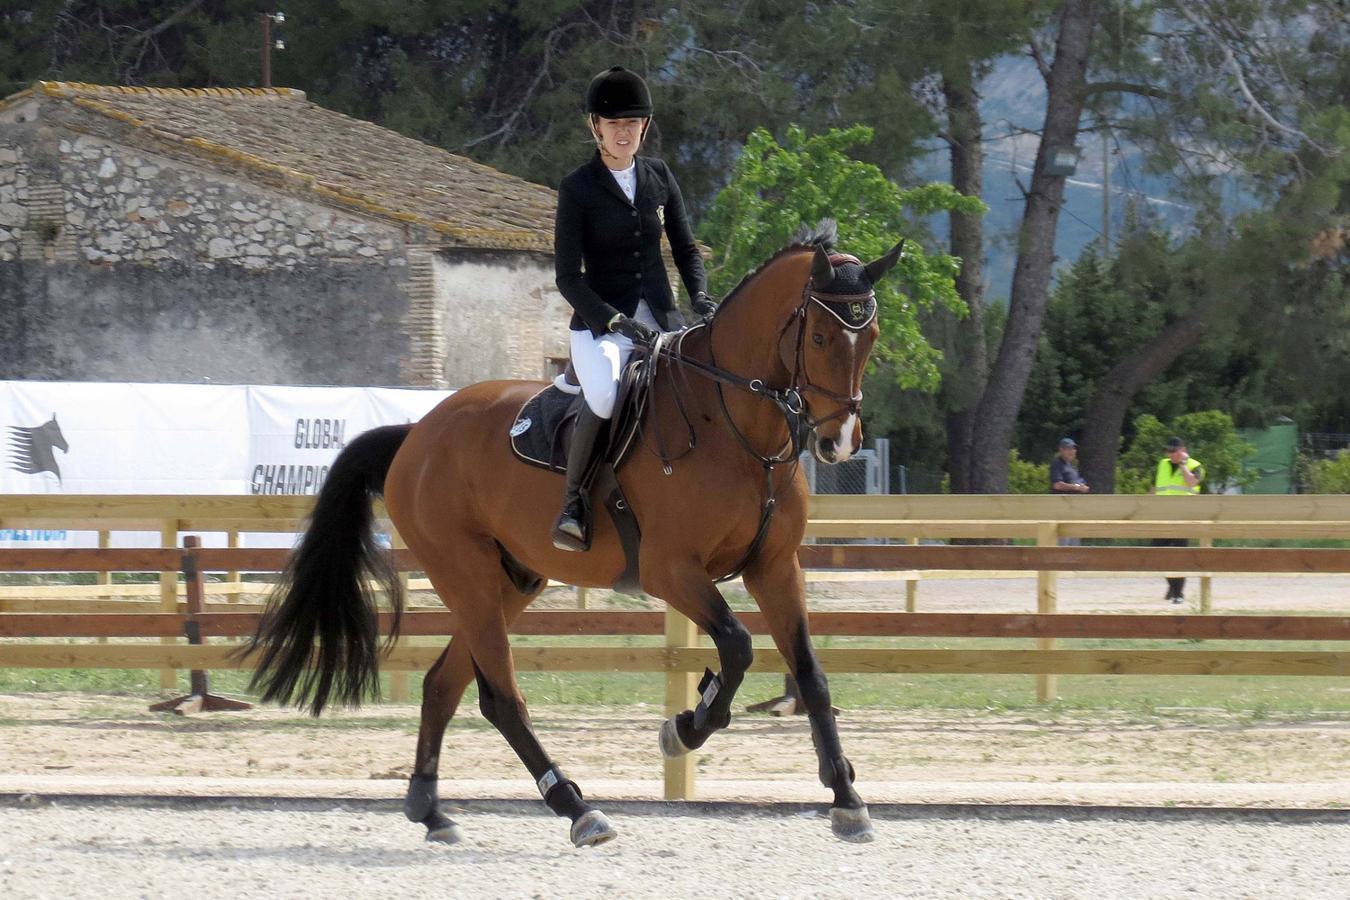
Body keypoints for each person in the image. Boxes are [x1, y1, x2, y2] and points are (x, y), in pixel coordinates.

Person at [550, 66, 713, 551]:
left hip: (661, 319)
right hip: (601, 327)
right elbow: (567, 277)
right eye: (614, 123)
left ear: (645, 126)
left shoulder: (659, 175)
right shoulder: (577, 188)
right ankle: (574, 504)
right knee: (603, 398)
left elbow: (685, 250)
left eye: (633, 123)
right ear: (595, 128)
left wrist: (700, 295)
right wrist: (613, 320)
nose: (624, 132)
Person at [1151, 436, 1205, 604]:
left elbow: (1191, 482)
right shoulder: (1162, 464)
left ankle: (1178, 593)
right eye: (1168, 450)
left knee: (1180, 555)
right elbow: (1155, 488)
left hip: (1183, 516)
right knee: (1157, 554)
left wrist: (1182, 465)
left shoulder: (1196, 466)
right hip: (1161, 516)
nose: (1170, 454)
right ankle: (1173, 586)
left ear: (1183, 450)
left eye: (1174, 450)